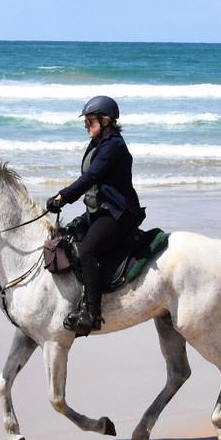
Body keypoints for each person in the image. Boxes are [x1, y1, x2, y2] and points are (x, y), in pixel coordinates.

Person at [46, 95, 143, 335]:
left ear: (106, 121)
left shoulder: (113, 146)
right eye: (85, 122)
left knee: (87, 250)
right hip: (98, 211)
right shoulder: (99, 142)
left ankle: (92, 313)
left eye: (90, 121)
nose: (86, 126)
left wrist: (63, 196)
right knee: (71, 235)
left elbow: (91, 177)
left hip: (117, 213)